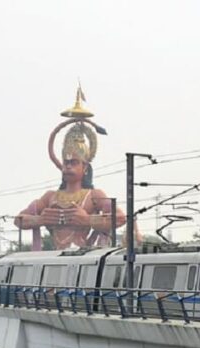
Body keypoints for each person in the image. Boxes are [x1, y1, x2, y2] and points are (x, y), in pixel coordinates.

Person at [15, 87, 137, 251]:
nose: (68, 167)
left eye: (74, 163)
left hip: (83, 256)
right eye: (66, 163)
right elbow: (19, 220)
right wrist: (41, 220)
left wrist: (87, 220)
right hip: (53, 257)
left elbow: (120, 218)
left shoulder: (94, 196)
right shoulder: (51, 197)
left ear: (85, 167)